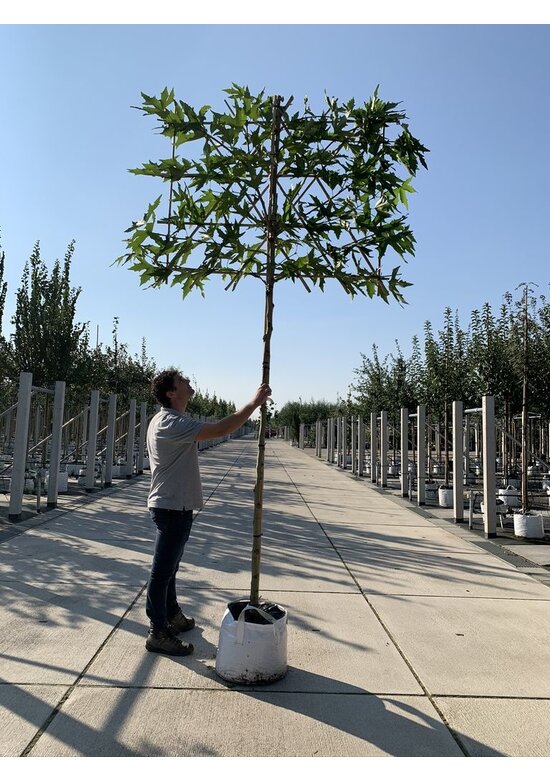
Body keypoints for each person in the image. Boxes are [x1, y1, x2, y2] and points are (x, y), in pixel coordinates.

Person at [145, 368, 272, 656]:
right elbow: (221, 428)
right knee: (162, 570)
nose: (190, 383)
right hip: (171, 505)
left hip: (175, 504)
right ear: (170, 393)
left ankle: (172, 613)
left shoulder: (170, 420)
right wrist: (253, 404)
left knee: (170, 568)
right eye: (183, 382)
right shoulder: (170, 422)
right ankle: (158, 630)